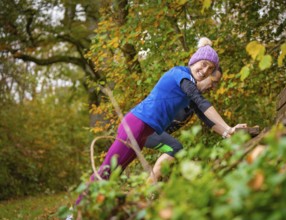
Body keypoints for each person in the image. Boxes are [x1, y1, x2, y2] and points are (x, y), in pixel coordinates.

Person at [74, 37, 247, 206]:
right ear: (193, 61)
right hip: (135, 125)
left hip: (143, 133)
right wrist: (227, 127)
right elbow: (201, 102)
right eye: (203, 64)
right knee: (107, 170)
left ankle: (93, 211)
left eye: (209, 69)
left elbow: (206, 118)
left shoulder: (189, 88)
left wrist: (227, 132)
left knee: (114, 173)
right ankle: (75, 213)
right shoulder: (180, 75)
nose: (204, 70)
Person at [145, 69, 223, 182]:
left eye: (217, 84)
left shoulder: (193, 99)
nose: (214, 87)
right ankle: (148, 188)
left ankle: (152, 188)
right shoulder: (183, 89)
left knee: (176, 152)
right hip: (146, 128)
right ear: (204, 76)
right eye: (213, 81)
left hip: (152, 133)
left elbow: (209, 121)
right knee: (175, 148)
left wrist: (228, 132)